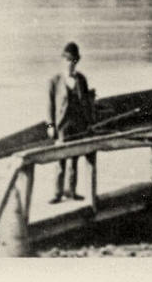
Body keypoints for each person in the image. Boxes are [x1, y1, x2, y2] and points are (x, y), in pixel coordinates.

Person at [46, 42, 95, 203]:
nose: (70, 63)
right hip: (61, 127)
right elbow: (49, 106)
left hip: (78, 126)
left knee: (74, 159)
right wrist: (50, 126)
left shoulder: (81, 80)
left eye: (73, 60)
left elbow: (86, 103)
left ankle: (71, 191)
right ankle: (57, 193)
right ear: (63, 60)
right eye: (67, 60)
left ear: (77, 61)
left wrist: (89, 123)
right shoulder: (54, 81)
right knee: (60, 160)